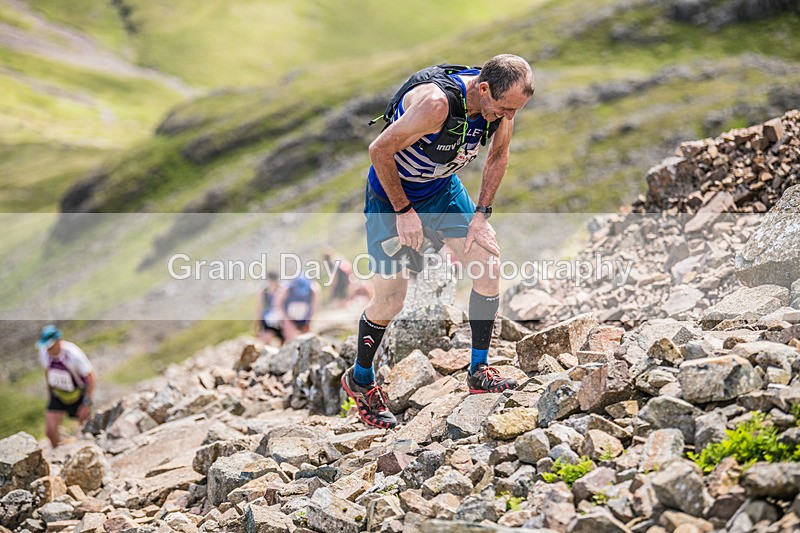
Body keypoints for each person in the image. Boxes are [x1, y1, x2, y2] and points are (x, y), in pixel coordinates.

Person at [341, 55, 535, 429]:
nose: (508, 117)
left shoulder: (503, 104)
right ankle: (360, 379)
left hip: (443, 191)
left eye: (516, 111)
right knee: (391, 300)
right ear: (483, 89)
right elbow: (378, 151)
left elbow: (498, 155)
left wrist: (481, 215)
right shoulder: (435, 105)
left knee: (488, 266)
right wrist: (403, 211)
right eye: (505, 109)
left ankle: (478, 370)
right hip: (391, 196)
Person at [37, 325, 96, 448]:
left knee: (86, 428)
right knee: (50, 430)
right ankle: (57, 454)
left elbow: (91, 377)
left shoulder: (73, 354)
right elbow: (47, 371)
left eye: (50, 345)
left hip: (78, 394)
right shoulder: (44, 352)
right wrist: (50, 394)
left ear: (59, 341)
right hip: (58, 393)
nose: (48, 349)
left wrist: (86, 403)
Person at [275, 273, 321, 342]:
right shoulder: (287, 288)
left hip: (305, 317)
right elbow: (277, 304)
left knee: (308, 338)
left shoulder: (313, 288)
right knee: (290, 339)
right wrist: (286, 319)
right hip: (289, 317)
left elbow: (316, 304)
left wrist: (310, 319)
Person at [255, 271, 285, 346]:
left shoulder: (282, 291)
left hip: (281, 322)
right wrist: (257, 327)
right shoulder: (263, 293)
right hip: (268, 322)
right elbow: (259, 310)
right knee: (266, 340)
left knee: (284, 341)